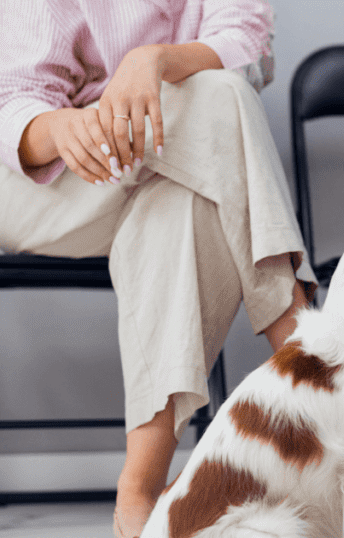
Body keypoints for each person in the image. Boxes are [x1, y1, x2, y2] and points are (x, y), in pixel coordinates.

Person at [0, 2, 316, 536]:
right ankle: (307, 353)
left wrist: (156, 61)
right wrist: (59, 126)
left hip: (171, 161)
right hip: (49, 184)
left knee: (181, 208)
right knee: (220, 98)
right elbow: (13, 101)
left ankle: (139, 494)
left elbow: (252, 51)